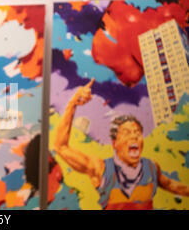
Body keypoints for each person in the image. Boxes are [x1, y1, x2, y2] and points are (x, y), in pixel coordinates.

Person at [54, 78, 189, 210]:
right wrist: (72, 104)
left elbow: (176, 187)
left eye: (137, 132)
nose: (134, 136)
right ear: (115, 143)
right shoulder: (101, 169)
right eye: (127, 132)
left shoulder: (152, 168)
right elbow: (61, 147)